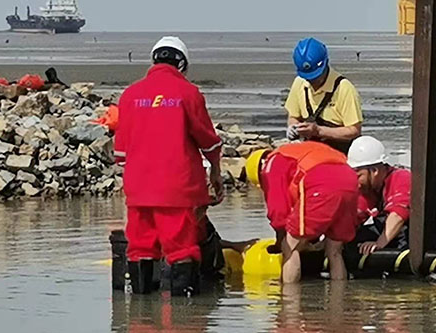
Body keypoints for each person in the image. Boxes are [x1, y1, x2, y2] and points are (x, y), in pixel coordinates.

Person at [114, 36, 224, 296]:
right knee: (181, 249)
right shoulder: (188, 93)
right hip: (177, 189)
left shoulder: (130, 95)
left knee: (140, 247)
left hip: (139, 190)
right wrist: (216, 172)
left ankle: (140, 321)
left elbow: (120, 154)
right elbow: (208, 141)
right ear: (182, 64)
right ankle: (185, 323)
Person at [245, 142, 359, 284]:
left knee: (291, 247)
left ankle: (289, 300)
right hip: (350, 181)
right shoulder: (297, 151)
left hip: (320, 182)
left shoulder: (271, 164)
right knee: (334, 251)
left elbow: (278, 210)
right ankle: (338, 301)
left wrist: (281, 241)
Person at [347, 136, 436, 256]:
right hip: (397, 236)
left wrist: (379, 244)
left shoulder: (401, 178)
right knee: (354, 238)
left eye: (358, 176)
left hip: (426, 238)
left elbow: (398, 214)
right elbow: (354, 216)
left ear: (374, 170)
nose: (356, 183)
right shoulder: (369, 189)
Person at [284, 38, 363, 155]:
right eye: (308, 78)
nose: (312, 81)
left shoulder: (344, 88)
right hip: (311, 153)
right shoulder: (299, 83)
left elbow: (354, 130)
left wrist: (319, 131)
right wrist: (293, 127)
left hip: (340, 154)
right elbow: (294, 116)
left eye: (316, 76)